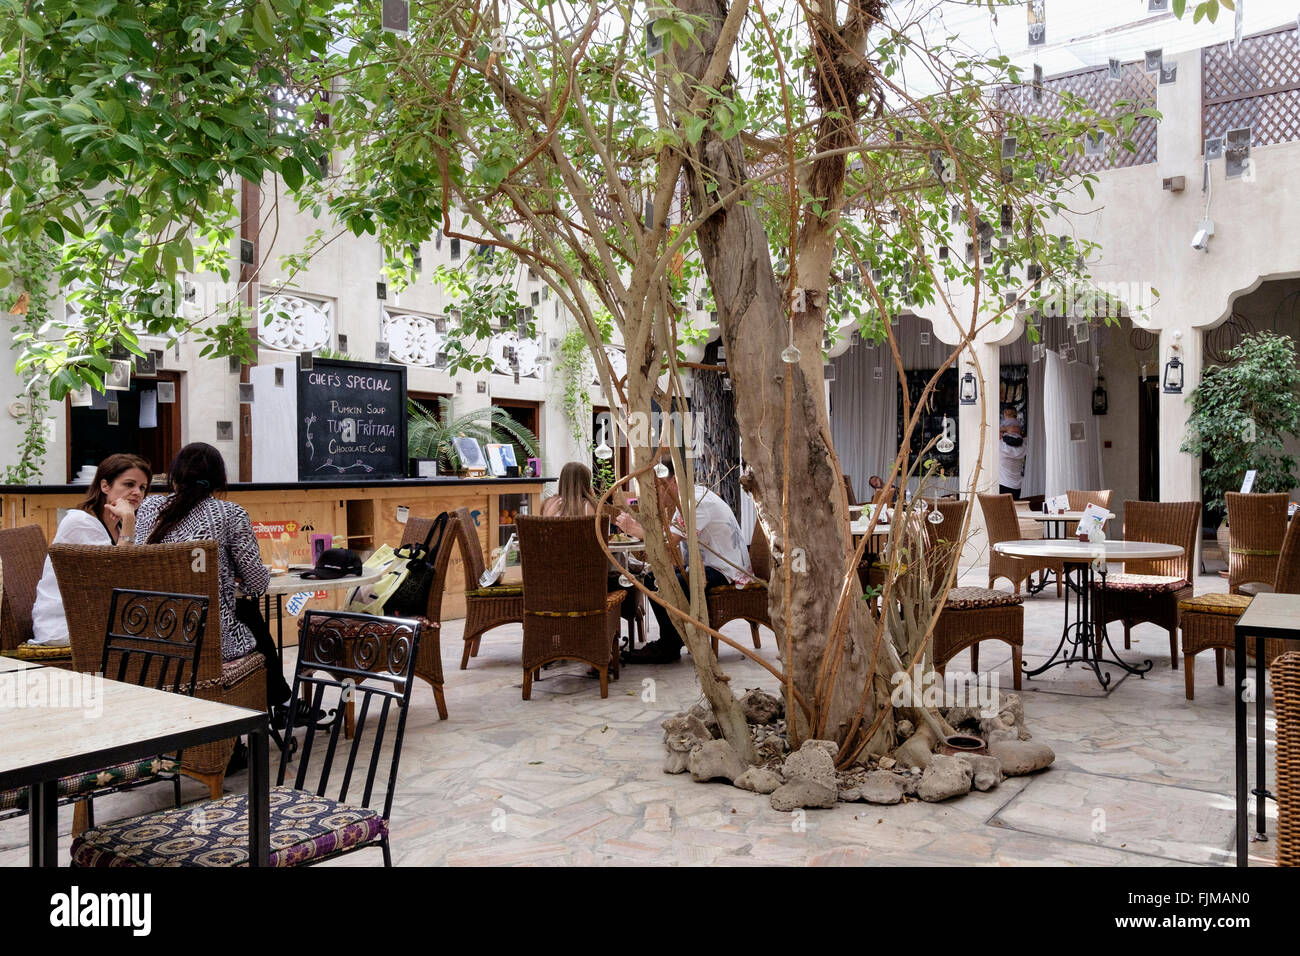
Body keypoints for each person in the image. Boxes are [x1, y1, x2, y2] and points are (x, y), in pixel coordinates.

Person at [134, 443, 287, 706]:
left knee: (245, 612)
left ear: (175, 476)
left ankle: (278, 701)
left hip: (153, 630)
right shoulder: (230, 513)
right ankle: (274, 702)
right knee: (248, 611)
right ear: (219, 479)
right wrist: (231, 574)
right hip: (209, 639)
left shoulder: (149, 508)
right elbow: (257, 584)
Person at [614, 459, 750, 664]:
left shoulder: (694, 502)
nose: (657, 492)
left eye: (659, 486)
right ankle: (672, 639)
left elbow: (669, 542)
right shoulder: (687, 499)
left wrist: (634, 530)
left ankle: (669, 645)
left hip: (726, 572)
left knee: (661, 582)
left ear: (673, 481)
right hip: (711, 566)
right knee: (653, 578)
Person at [30, 454, 153, 647]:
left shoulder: (117, 528)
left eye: (142, 487)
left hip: (95, 620)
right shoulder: (80, 522)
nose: (137, 492)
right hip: (65, 626)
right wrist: (129, 519)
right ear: (105, 486)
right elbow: (114, 577)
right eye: (129, 484)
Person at [999, 416, 1027, 499]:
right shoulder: (1024, 446)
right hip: (1017, 487)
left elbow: (990, 431)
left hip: (1003, 484)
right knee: (1013, 510)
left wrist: (1004, 429)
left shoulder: (1000, 445)